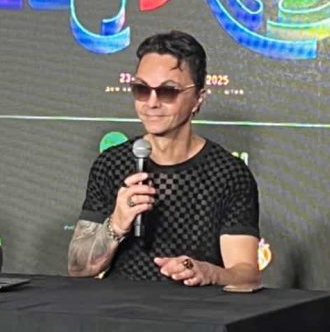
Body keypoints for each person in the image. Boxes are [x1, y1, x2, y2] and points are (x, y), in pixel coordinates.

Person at [68, 30, 260, 286]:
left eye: (168, 91)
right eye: (141, 89)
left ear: (198, 98)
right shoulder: (112, 164)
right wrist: (116, 224)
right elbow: (78, 268)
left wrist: (208, 272)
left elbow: (246, 274)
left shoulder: (229, 174)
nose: (152, 102)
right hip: (120, 306)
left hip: (195, 307)